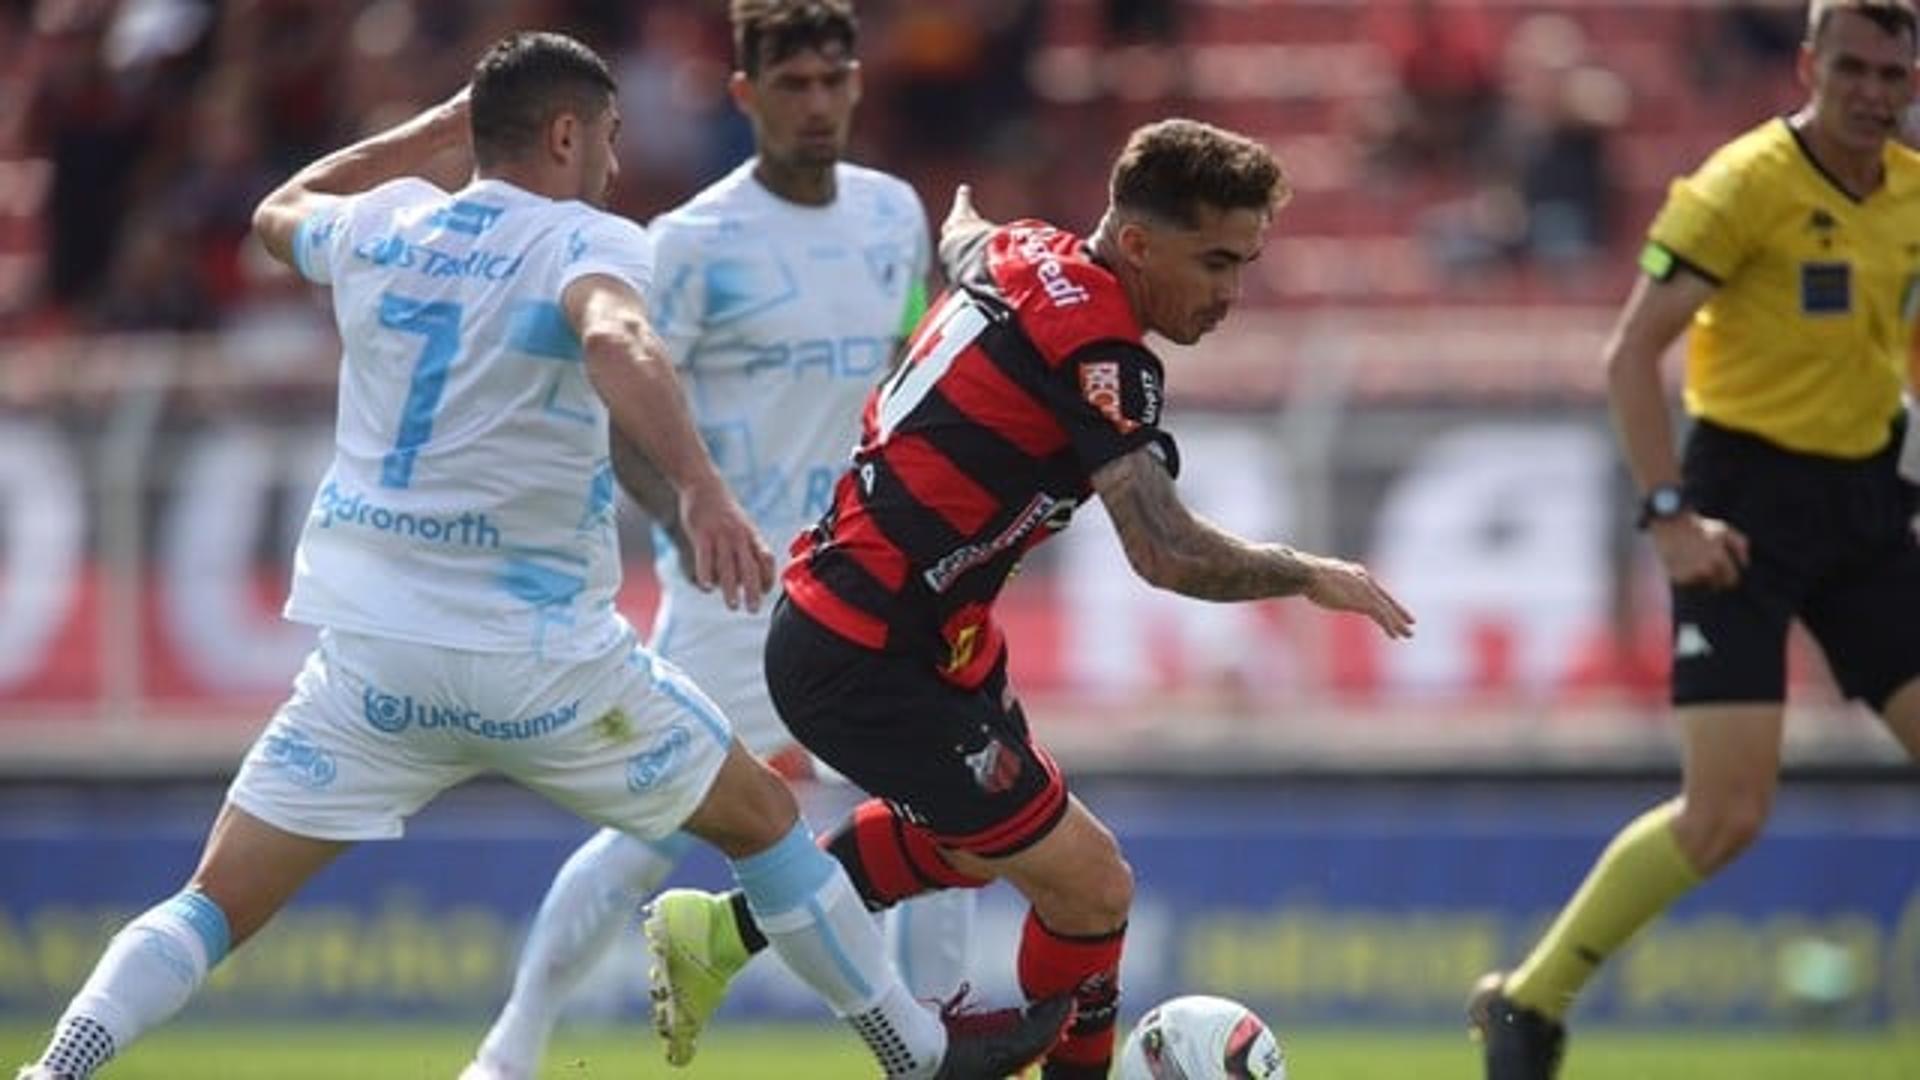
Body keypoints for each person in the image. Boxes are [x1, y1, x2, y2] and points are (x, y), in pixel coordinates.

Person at [14, 32, 1070, 1080]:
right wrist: (702, 486)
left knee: (210, 903)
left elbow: (275, 208)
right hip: (544, 662)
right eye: (606, 138)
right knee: (767, 823)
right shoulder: (585, 242)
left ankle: (58, 1070)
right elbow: (618, 337)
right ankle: (919, 1051)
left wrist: (429, 132)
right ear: (566, 134)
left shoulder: (387, 227)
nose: (613, 164)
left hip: (374, 663)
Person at [641, 117, 1417, 1080]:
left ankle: (718, 934)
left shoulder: (1028, 251)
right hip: (869, 650)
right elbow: (1165, 551)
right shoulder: (1104, 356)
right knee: (1092, 887)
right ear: (1136, 244)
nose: (1230, 294)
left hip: (912, 634)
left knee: (987, 854)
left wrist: (963, 219)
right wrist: (1307, 573)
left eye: (1245, 264)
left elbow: (970, 241)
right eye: (1214, 262)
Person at [463, 5, 977, 1077]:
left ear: (857, 85)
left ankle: (936, 1049)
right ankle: (513, 1048)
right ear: (744, 96)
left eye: (835, 80)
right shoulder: (687, 244)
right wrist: (684, 519)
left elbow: (906, 369)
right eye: (793, 85)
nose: (819, 104)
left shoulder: (893, 215)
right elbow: (623, 407)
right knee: (648, 833)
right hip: (735, 597)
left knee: (944, 814)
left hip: (866, 584)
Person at [1469, 3, 1920, 1077]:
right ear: (1809, 64)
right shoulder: (1742, 185)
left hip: (1864, 504)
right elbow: (1631, 358)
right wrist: (1669, 518)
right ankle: (1530, 1002)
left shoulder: (1910, 197)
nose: (1871, 89)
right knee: (1724, 816)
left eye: (1892, 71)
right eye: (1849, 67)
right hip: (1740, 508)